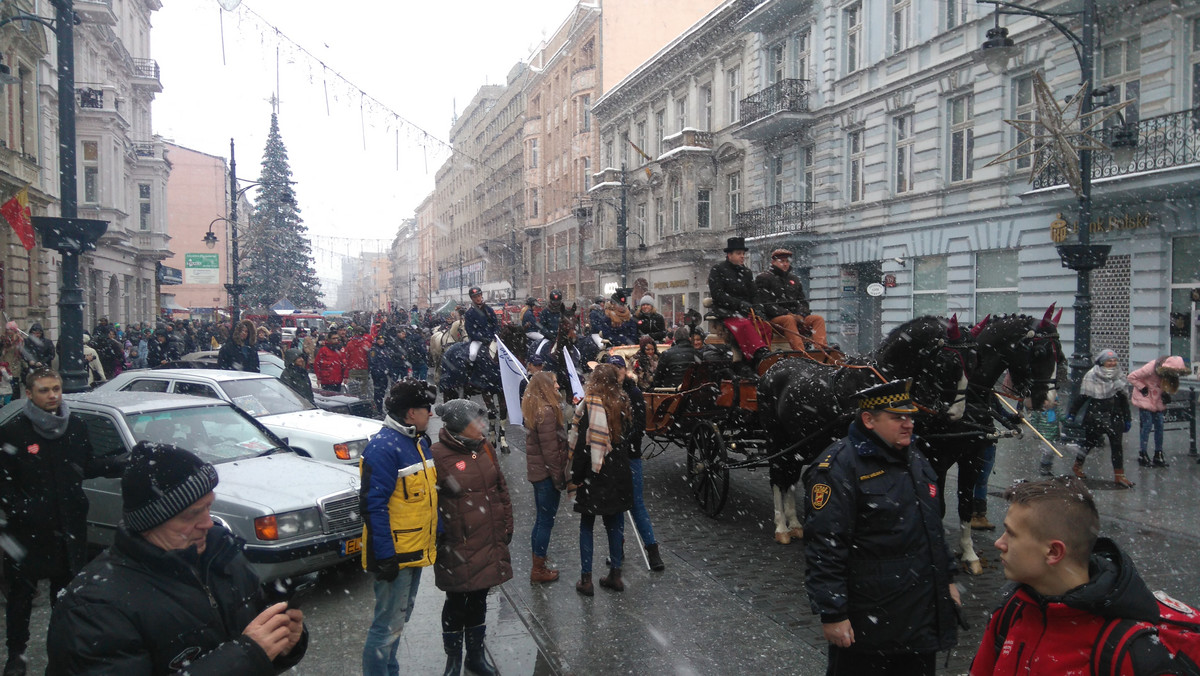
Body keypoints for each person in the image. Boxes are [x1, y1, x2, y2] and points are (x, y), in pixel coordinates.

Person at [45, 442, 306, 675]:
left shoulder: (221, 555)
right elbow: (248, 654)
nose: (208, 523)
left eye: (208, 507)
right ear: (150, 522)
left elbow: (255, 647)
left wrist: (281, 644)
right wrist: (245, 657)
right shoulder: (93, 609)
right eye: (191, 515)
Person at [804, 378, 960, 675]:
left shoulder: (915, 457)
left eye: (910, 416)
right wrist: (833, 613)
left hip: (920, 617)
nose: (908, 424)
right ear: (868, 420)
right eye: (897, 417)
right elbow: (825, 544)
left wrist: (947, 579)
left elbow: (932, 529)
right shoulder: (838, 467)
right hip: (870, 622)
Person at [969, 476, 1182, 675]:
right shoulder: (1011, 611)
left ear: (1053, 552)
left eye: (1011, 534)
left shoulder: (1128, 651)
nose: (999, 543)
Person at [0, 369, 127, 675]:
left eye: (56, 389)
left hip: (68, 527)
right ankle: (16, 654)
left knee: (66, 596)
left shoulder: (76, 426)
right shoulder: (14, 431)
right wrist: (23, 510)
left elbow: (85, 466)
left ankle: (63, 650)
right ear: (29, 394)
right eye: (44, 390)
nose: (53, 395)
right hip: (26, 533)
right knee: (21, 597)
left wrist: (122, 462)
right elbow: (4, 483)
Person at [360, 379, 440, 676]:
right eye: (426, 409)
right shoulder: (383, 449)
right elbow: (372, 506)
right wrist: (385, 556)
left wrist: (438, 533)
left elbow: (430, 495)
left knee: (397, 623)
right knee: (386, 628)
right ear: (410, 414)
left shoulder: (416, 442)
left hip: (414, 552)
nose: (430, 414)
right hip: (396, 556)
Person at [431, 398, 513, 676]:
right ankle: (453, 660)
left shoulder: (485, 448)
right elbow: (432, 503)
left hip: (488, 537)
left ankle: (475, 656)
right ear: (458, 427)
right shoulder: (436, 455)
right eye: (475, 421)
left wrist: (506, 524)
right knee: (455, 601)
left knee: (479, 596)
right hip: (458, 543)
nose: (481, 425)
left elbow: (500, 487)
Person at [569, 363, 634, 596]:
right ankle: (615, 574)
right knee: (614, 524)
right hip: (619, 470)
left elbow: (582, 447)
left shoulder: (590, 405)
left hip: (595, 473)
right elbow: (630, 435)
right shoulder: (623, 402)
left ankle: (586, 580)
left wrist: (576, 475)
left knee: (587, 525)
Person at [607, 354, 664, 571]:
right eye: (612, 368)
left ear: (624, 370)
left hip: (630, 456)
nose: (615, 372)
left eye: (618, 368)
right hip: (613, 457)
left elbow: (639, 427)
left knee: (637, 504)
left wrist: (622, 443)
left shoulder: (634, 393)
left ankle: (652, 549)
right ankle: (617, 550)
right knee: (616, 507)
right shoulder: (606, 395)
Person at [521, 371, 569, 584]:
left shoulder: (535, 409)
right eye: (555, 383)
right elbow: (551, 451)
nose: (558, 386)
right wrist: (559, 478)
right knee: (545, 521)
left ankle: (538, 564)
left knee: (541, 520)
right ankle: (538, 568)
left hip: (538, 473)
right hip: (546, 475)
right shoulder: (547, 412)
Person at [1068, 349, 1134, 488]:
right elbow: (1083, 397)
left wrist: (1127, 418)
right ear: (1102, 361)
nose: (1113, 363)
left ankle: (1119, 475)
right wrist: (1072, 412)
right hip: (1095, 415)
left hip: (1114, 415)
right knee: (1089, 443)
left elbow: (1123, 399)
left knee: (1117, 446)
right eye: (1109, 360)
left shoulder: (1119, 375)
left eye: (1114, 360)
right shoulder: (1092, 375)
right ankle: (1077, 466)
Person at [707, 237, 772, 368]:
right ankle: (757, 353)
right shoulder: (718, 270)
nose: (742, 256)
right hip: (727, 313)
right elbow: (718, 295)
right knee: (744, 324)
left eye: (743, 254)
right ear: (729, 255)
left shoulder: (746, 272)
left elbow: (754, 294)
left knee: (764, 325)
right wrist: (739, 304)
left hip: (745, 312)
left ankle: (764, 352)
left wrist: (758, 308)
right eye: (739, 253)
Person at [755, 248, 827, 354]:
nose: (785, 264)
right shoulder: (764, 278)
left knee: (818, 319)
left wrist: (801, 315)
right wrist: (788, 314)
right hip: (775, 320)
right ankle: (800, 351)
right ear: (773, 262)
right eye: (781, 261)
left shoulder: (794, 279)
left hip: (796, 318)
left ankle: (821, 350)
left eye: (787, 261)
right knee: (788, 319)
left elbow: (802, 301)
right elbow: (767, 305)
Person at [1127, 355, 1188, 468]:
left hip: (1157, 401)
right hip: (1145, 398)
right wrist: (1143, 388)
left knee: (1159, 426)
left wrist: (1165, 393)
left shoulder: (1168, 374)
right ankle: (1143, 453)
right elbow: (1132, 377)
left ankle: (1158, 453)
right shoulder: (1151, 367)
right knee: (1147, 425)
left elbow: (1165, 385)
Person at [464, 286, 498, 364]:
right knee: (473, 354)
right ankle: (470, 370)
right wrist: (481, 338)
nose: (478, 298)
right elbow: (470, 330)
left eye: (479, 296)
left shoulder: (489, 310)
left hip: (491, 339)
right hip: (477, 341)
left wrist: (495, 334)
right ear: (472, 298)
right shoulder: (469, 313)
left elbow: (495, 324)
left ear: (481, 295)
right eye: (475, 297)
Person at [368, 332, 394, 415]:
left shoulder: (385, 349)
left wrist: (390, 372)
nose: (381, 341)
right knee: (378, 392)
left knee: (383, 391)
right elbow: (372, 362)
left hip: (385, 374)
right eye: (379, 339)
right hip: (378, 375)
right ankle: (378, 409)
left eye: (382, 339)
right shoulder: (374, 350)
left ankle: (381, 407)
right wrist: (378, 371)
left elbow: (389, 361)